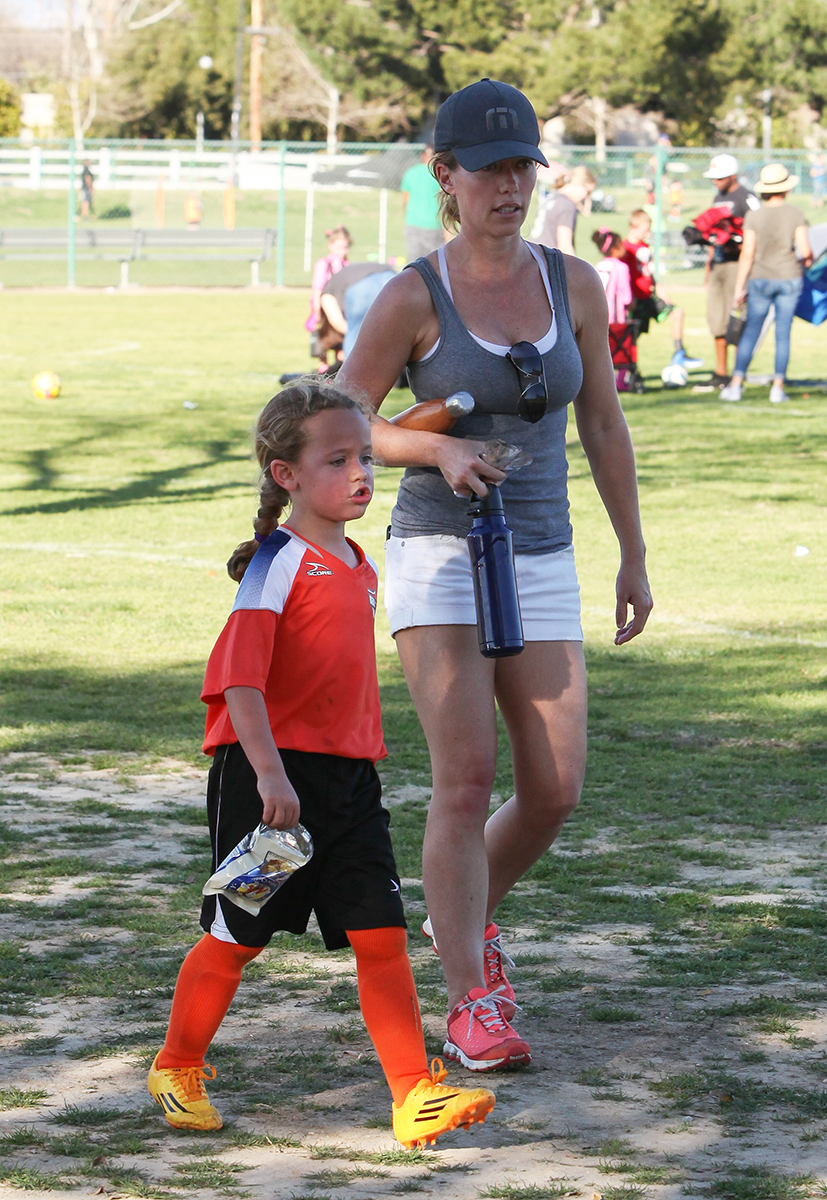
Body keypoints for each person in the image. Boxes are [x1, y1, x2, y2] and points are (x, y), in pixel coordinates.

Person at [336, 78, 653, 1071]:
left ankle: (454, 921)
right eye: (489, 170)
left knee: (554, 788)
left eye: (522, 167)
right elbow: (338, 427)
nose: (509, 187)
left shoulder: (574, 282)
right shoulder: (409, 294)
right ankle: (471, 999)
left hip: (545, 552)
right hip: (438, 552)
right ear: (445, 177)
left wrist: (631, 549)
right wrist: (432, 452)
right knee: (466, 780)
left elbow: (600, 418)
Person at [146, 381, 495, 1145]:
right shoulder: (276, 562)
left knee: (380, 937)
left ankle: (413, 1096)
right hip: (268, 782)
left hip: (349, 787)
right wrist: (269, 774)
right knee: (237, 934)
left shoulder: (361, 565)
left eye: (365, 456)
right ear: (287, 476)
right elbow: (239, 680)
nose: (361, 473)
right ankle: (176, 1065)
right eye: (337, 460)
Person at [720, 164, 812, 405]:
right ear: (785, 189)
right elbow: (805, 251)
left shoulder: (755, 215)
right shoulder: (795, 213)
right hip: (789, 278)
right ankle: (778, 387)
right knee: (783, 334)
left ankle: (736, 385)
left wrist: (740, 287)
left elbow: (747, 254)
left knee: (751, 331)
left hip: (759, 279)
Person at [702, 153, 760, 387]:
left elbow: (757, 228)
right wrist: (708, 262)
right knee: (716, 317)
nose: (715, 181)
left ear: (733, 175)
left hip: (738, 263)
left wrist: (738, 241)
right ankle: (720, 371)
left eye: (720, 177)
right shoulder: (718, 197)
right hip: (719, 262)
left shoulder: (747, 198)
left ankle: (738, 371)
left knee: (736, 319)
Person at [622, 209, 703, 369]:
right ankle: (627, 369)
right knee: (631, 337)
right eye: (644, 230)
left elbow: (650, 274)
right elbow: (624, 278)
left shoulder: (644, 246)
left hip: (649, 298)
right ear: (633, 227)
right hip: (635, 301)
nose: (647, 233)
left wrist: (662, 293)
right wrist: (628, 299)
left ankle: (679, 353)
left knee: (677, 312)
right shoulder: (626, 249)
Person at [320, 261, 397, 358]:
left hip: (363, 286)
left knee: (355, 337)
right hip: (393, 277)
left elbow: (337, 321)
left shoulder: (327, 292)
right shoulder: (339, 280)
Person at [306, 226, 351, 370]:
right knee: (323, 349)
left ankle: (337, 374)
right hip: (326, 311)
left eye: (346, 247)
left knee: (341, 348)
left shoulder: (346, 265)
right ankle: (324, 375)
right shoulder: (324, 264)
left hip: (341, 310)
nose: (345, 251)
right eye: (341, 247)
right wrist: (317, 312)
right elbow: (317, 289)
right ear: (331, 245)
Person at [531, 165, 596, 255]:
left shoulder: (550, 198)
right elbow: (565, 246)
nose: (587, 197)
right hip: (549, 260)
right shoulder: (567, 205)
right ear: (578, 184)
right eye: (587, 192)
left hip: (534, 255)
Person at [401, 146, 445, 261]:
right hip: (434, 224)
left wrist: (407, 216)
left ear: (422, 156)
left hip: (413, 223)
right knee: (435, 264)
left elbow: (405, 199)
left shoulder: (411, 172)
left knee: (413, 264)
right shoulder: (439, 174)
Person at [592, 228, 633, 323]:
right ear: (614, 249)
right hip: (617, 320)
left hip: (600, 318)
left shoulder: (598, 266)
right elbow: (627, 299)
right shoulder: (622, 267)